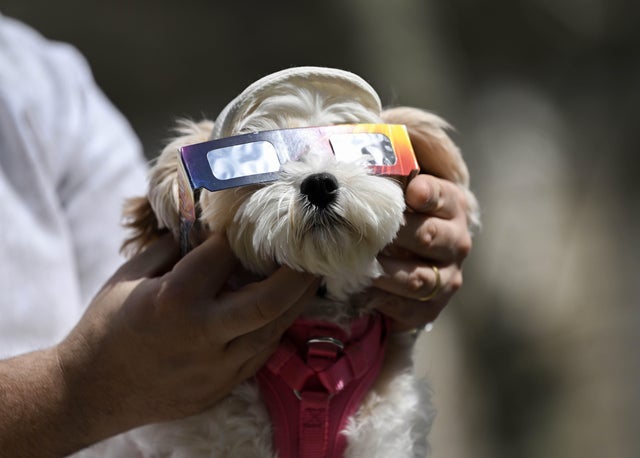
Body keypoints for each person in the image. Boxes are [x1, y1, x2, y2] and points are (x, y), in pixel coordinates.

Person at [0, 15, 474, 457]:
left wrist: (422, 257)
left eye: (355, 152)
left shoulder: (43, 83)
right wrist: (79, 389)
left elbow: (123, 288)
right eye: (261, 168)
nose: (318, 176)